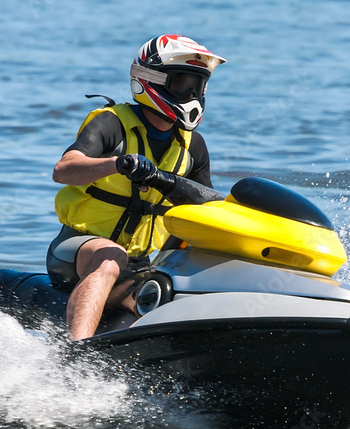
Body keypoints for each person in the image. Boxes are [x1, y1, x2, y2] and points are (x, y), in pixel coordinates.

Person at [48, 35, 226, 340]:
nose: (192, 95)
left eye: (198, 86)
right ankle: (75, 355)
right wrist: (117, 164)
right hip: (79, 251)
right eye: (183, 84)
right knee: (111, 256)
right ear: (150, 81)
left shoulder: (192, 147)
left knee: (175, 286)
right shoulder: (111, 124)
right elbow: (63, 170)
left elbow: (206, 210)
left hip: (141, 265)